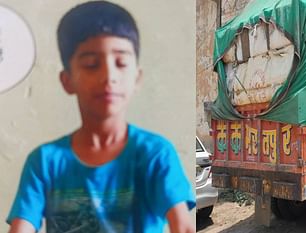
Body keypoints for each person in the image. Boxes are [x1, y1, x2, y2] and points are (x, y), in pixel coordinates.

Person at [6, 1, 195, 232]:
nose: (108, 76)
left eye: (121, 63)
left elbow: (183, 226)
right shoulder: (44, 162)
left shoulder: (155, 154)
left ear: (136, 77)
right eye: (91, 64)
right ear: (67, 80)